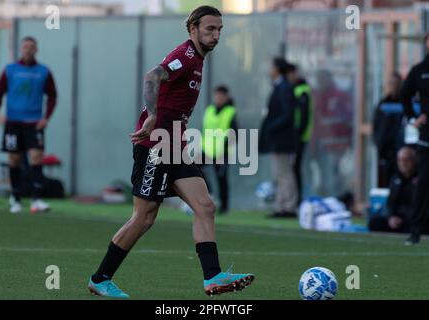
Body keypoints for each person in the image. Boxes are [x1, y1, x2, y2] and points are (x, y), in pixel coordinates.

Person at [88, 6, 254, 298]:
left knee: (205, 206)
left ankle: (212, 277)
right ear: (192, 29)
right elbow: (153, 76)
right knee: (144, 218)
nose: (215, 36)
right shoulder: (186, 56)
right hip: (155, 145)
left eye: (219, 30)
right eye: (209, 29)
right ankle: (100, 278)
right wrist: (152, 115)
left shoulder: (198, 59)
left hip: (174, 147)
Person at [0, 36, 58, 214]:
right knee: (14, 159)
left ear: (36, 50)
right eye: (25, 46)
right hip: (13, 122)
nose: (28, 50)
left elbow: (52, 96)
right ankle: (16, 199)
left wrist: (46, 117)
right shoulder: (10, 70)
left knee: (36, 157)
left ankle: (37, 199)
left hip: (34, 123)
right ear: (20, 49)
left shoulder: (43, 71)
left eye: (31, 47)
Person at [259, 58, 298, 218]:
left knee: (284, 173)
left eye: (272, 67)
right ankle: (281, 205)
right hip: (278, 139)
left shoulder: (284, 88)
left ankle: (288, 206)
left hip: (282, 139)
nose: (269, 70)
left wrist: (271, 127)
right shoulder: (279, 87)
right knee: (279, 173)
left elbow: (287, 114)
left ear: (277, 69)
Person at [401, 33, 429, 245]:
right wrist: (413, 117)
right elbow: (404, 94)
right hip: (426, 138)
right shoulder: (420, 70)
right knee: (423, 183)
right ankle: (415, 230)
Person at [312, 69, 353, 196]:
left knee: (335, 171)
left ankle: (337, 195)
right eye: (319, 79)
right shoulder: (316, 95)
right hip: (320, 143)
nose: (320, 82)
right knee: (323, 172)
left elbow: (347, 117)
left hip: (337, 143)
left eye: (323, 79)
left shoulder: (339, 96)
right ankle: (325, 193)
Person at [200, 85, 238, 214]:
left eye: (221, 96)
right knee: (195, 169)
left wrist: (226, 148)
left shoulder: (230, 112)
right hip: (207, 149)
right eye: (216, 95)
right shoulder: (209, 110)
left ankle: (224, 206)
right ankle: (209, 194)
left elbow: (234, 133)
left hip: (222, 151)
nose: (218, 98)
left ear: (226, 97)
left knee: (221, 178)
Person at [368, 147, 419, 233]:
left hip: (412, 218)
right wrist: (390, 217)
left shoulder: (420, 180)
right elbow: (390, 203)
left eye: (406, 160)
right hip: (396, 218)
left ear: (414, 161)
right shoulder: (395, 179)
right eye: (400, 160)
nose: (403, 163)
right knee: (374, 222)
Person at [287, 64, 313, 204]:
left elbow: (303, 116)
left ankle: (297, 200)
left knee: (295, 167)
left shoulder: (302, 90)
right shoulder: (297, 89)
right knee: (294, 167)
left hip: (300, 136)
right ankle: (296, 199)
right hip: (297, 135)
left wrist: (297, 135)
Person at [373, 72, 404, 187]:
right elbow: (376, 128)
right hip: (385, 153)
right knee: (384, 183)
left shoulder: (406, 104)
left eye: (396, 83)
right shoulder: (382, 104)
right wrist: (379, 145)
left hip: (401, 152)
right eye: (391, 83)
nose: (393, 86)